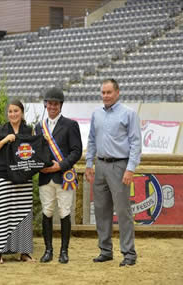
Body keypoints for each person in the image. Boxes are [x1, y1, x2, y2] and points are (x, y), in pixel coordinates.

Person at [85, 79, 141, 267]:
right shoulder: (96, 114)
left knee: (123, 211)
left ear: (117, 92)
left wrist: (130, 168)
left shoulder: (129, 114)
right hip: (100, 165)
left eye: (109, 92)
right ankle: (105, 250)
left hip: (120, 166)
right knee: (101, 210)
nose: (105, 96)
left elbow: (135, 142)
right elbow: (91, 139)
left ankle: (129, 253)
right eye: (103, 93)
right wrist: (89, 163)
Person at [34, 87, 82, 264]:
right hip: (45, 177)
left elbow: (76, 151)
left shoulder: (70, 125)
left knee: (64, 212)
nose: (52, 106)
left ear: (61, 105)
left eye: (56, 103)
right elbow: (36, 151)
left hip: (63, 176)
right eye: (50, 103)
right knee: (47, 212)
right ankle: (48, 250)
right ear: (46, 104)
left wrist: (59, 166)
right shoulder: (39, 127)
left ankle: (64, 251)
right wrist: (40, 167)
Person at [0, 99, 35, 264]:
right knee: (2, 214)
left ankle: (24, 252)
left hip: (23, 178)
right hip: (3, 176)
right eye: (10, 111)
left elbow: (34, 153)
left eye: (16, 111)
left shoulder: (29, 130)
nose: (13, 114)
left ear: (22, 112)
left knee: (23, 215)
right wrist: (5, 140)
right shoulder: (0, 130)